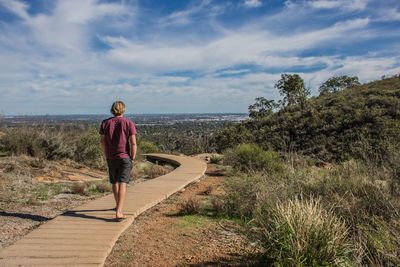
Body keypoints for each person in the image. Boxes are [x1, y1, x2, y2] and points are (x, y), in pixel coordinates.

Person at [100, 101, 137, 221]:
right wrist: (133, 156)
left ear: (112, 110)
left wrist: (106, 154)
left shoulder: (105, 123)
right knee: (123, 182)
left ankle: (117, 205)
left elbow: (102, 142)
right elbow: (133, 142)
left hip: (111, 157)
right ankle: (119, 211)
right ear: (123, 110)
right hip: (124, 156)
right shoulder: (128, 123)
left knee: (114, 182)